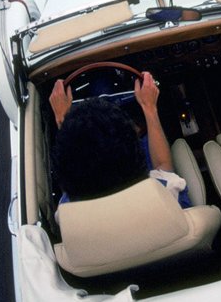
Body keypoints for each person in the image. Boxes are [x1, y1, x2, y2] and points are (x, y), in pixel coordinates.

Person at [49, 71, 191, 207]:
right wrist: (149, 107)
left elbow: (68, 171)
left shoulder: (68, 209)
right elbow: (163, 164)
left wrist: (63, 120)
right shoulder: (166, 193)